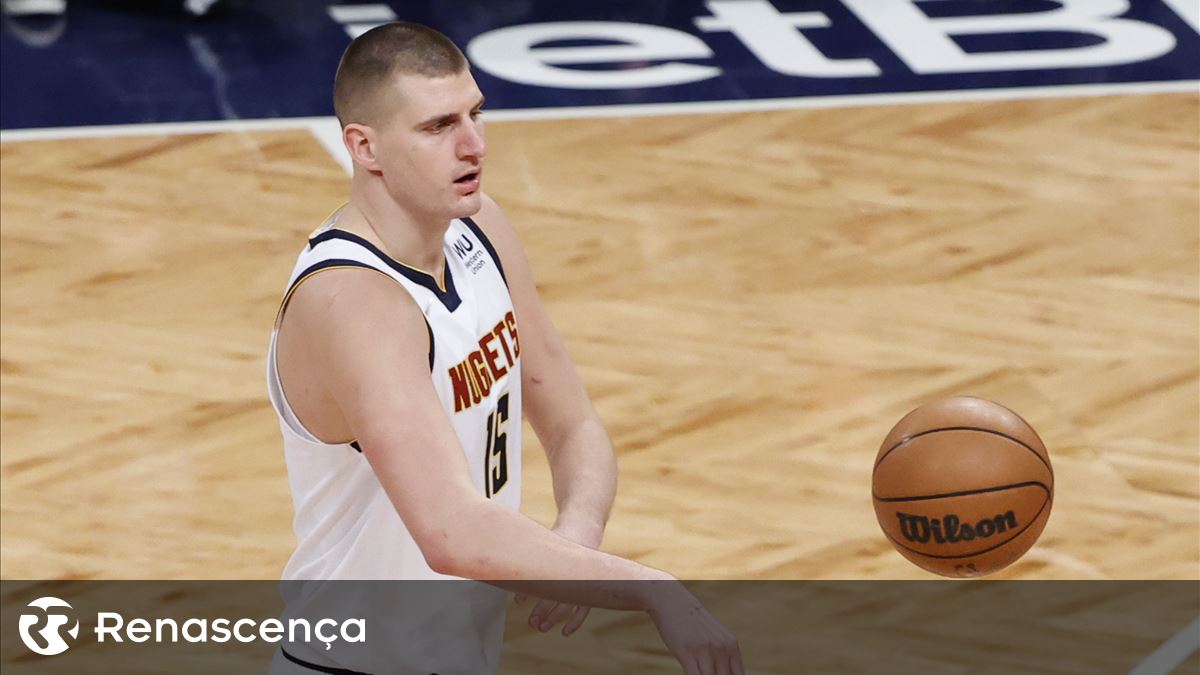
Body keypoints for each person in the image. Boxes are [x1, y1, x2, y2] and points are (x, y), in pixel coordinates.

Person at [265, 21, 742, 675]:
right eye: (438, 127)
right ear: (365, 147)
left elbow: (574, 423)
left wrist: (576, 537)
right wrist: (648, 588)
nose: (473, 145)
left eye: (476, 114)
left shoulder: (479, 227)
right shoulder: (353, 301)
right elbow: (450, 531)